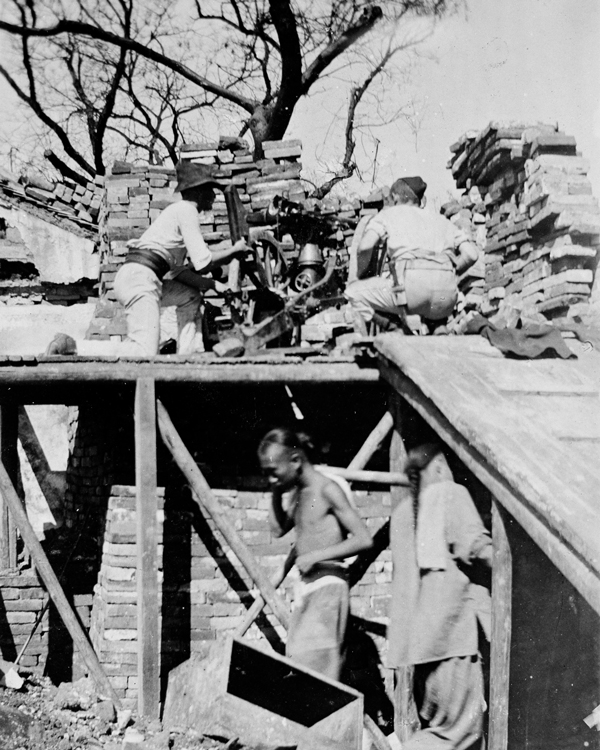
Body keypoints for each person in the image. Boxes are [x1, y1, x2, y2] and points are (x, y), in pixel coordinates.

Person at [45, 161, 248, 356]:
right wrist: (235, 251)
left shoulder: (177, 215)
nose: (213, 196)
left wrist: (212, 284)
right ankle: (72, 346)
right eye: (210, 190)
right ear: (199, 190)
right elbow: (203, 262)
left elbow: (178, 271)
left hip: (138, 277)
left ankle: (188, 355)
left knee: (190, 295)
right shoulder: (187, 210)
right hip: (140, 278)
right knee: (144, 352)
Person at [388, 443, 492, 750]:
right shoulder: (450, 494)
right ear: (439, 467)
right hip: (452, 639)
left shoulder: (402, 512)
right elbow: (477, 549)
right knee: (458, 733)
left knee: (445, 730)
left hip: (419, 650)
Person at [258, 428, 373, 681]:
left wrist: (316, 556)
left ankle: (334, 719)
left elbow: (364, 539)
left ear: (296, 461)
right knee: (300, 659)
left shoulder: (327, 489)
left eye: (273, 471)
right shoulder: (301, 493)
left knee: (318, 666)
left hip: (329, 585)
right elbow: (277, 529)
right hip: (308, 587)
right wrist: (276, 488)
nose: (269, 479)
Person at [344, 176, 479, 335]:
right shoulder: (441, 220)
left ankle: (396, 328)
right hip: (446, 299)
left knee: (352, 292)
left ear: (394, 197)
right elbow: (471, 254)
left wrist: (360, 275)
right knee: (431, 293)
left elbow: (365, 247)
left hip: (411, 293)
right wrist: (451, 272)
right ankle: (437, 326)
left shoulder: (388, 215)